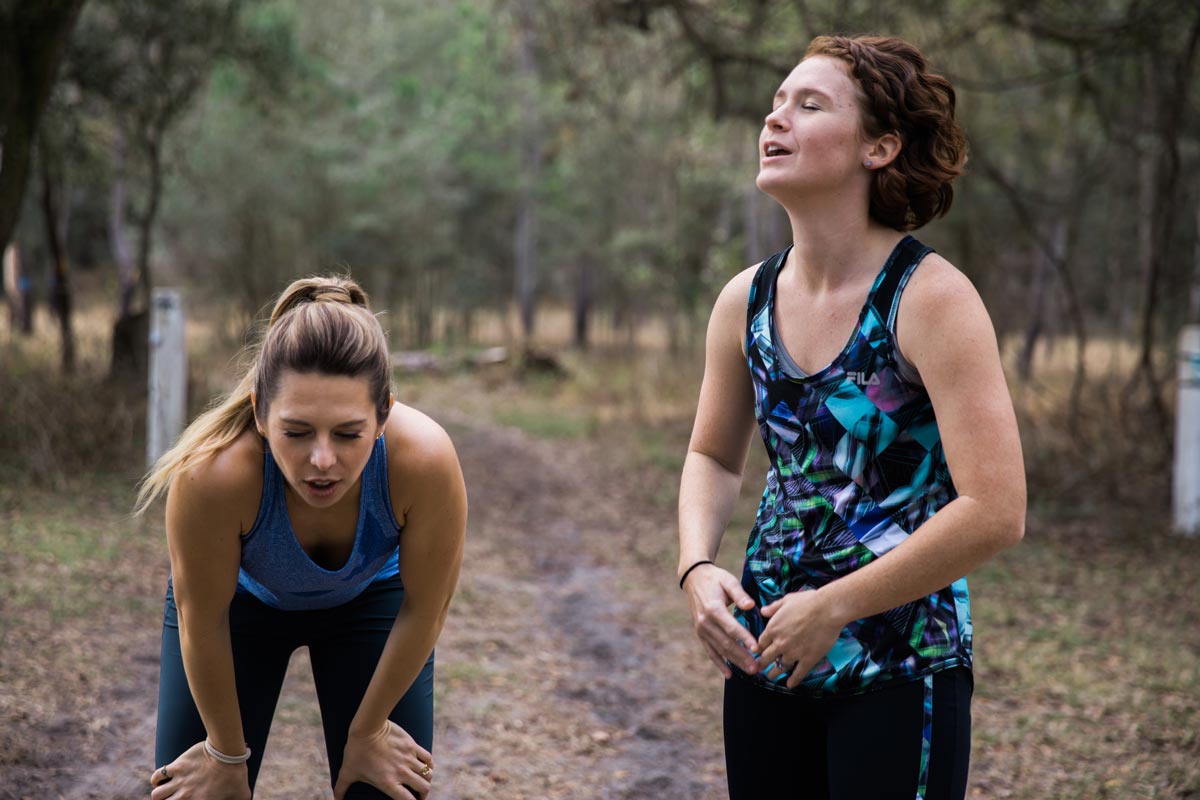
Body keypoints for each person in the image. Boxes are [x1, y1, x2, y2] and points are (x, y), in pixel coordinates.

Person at [677, 35, 1026, 799]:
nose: (777, 119)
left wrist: (836, 604)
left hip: (901, 670)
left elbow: (996, 510)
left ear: (880, 146)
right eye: (776, 103)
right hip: (767, 660)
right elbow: (713, 457)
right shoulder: (746, 300)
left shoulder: (930, 298)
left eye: (809, 105)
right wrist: (698, 566)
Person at [135, 276, 467, 800]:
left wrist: (368, 732)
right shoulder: (213, 476)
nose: (322, 460)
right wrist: (225, 755)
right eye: (296, 431)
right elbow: (203, 618)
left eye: (348, 433)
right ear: (262, 416)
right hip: (238, 607)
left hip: (370, 603)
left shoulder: (423, 460)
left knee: (381, 788)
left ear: (383, 416)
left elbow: (427, 608)